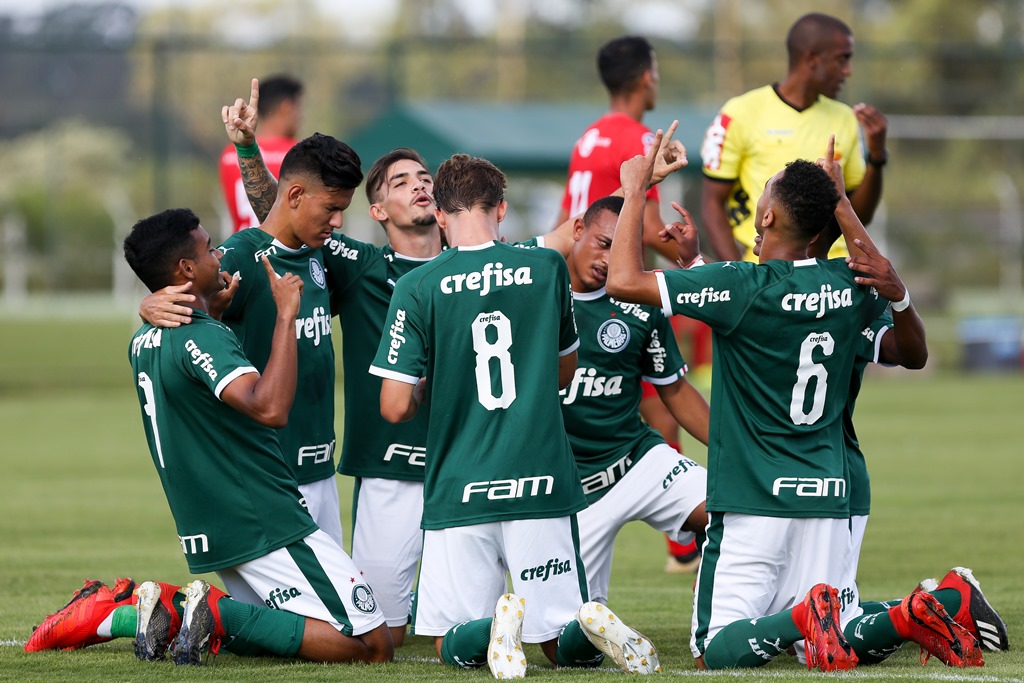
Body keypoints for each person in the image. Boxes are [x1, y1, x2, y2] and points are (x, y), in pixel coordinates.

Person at [607, 132, 982, 671]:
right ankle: (922, 610)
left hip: (755, 496)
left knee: (715, 647)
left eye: (762, 195)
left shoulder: (742, 284)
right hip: (828, 495)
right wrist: (891, 283)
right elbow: (911, 353)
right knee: (838, 637)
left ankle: (805, 615)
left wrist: (634, 189)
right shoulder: (849, 283)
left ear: (766, 220)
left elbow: (624, 280)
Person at [26, 208, 393, 665]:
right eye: (209, 249)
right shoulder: (200, 336)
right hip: (259, 516)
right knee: (373, 644)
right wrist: (285, 314)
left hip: (208, 523)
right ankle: (180, 608)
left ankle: (130, 616)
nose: (219, 256)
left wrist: (212, 314)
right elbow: (270, 408)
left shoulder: (143, 339)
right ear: (185, 269)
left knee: (278, 637)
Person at [370, 153, 661, 677]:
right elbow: (565, 372)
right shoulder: (547, 266)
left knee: (444, 638)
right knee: (559, 642)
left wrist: (436, 381)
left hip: (461, 483)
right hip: (543, 475)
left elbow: (393, 406)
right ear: (501, 208)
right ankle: (586, 625)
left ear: (440, 215)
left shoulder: (418, 286)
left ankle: (492, 629)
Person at [556, 33, 702, 571]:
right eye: (657, 70)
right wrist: (693, 260)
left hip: (582, 274)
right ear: (646, 76)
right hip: (608, 289)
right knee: (656, 400)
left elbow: (573, 213)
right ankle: (681, 542)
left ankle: (681, 533)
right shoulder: (640, 136)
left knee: (651, 396)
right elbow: (650, 231)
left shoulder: (588, 136)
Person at [544, 194, 711, 605]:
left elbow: (672, 389)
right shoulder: (535, 295)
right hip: (571, 491)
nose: (607, 260)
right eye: (603, 243)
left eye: (620, 251)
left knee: (733, 510)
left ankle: (721, 598)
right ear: (577, 230)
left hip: (638, 460)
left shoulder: (638, 300)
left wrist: (735, 446)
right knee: (575, 640)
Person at [700, 12, 888, 263]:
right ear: (811, 58)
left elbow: (857, 214)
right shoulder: (740, 112)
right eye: (842, 59)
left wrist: (877, 156)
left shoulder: (844, 118)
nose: (848, 71)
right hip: (766, 272)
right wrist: (736, 275)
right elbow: (712, 203)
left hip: (832, 269)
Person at [219, 75, 303, 233]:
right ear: (287, 107)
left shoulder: (229, 154)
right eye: (300, 109)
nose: (301, 117)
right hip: (279, 250)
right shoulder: (297, 153)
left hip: (242, 248)